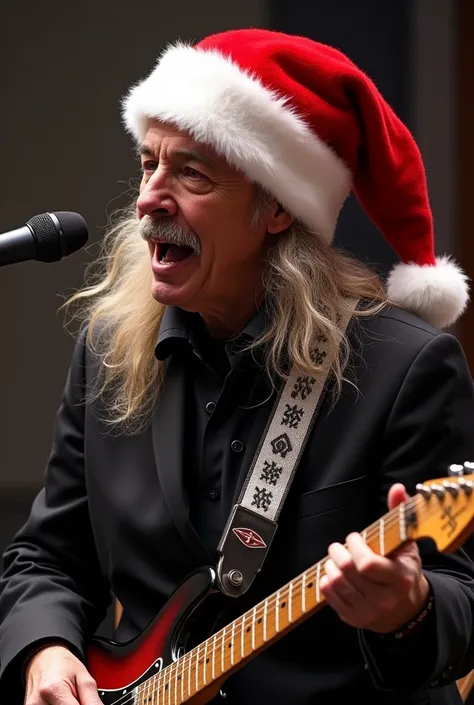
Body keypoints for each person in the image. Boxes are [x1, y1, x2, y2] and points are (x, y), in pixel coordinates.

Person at [1, 26, 474, 705]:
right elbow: (47, 557)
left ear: (277, 206)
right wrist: (44, 649)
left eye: (191, 172)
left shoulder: (405, 367)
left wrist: (410, 608)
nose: (148, 198)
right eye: (147, 164)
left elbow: (463, 600)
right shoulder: (107, 351)